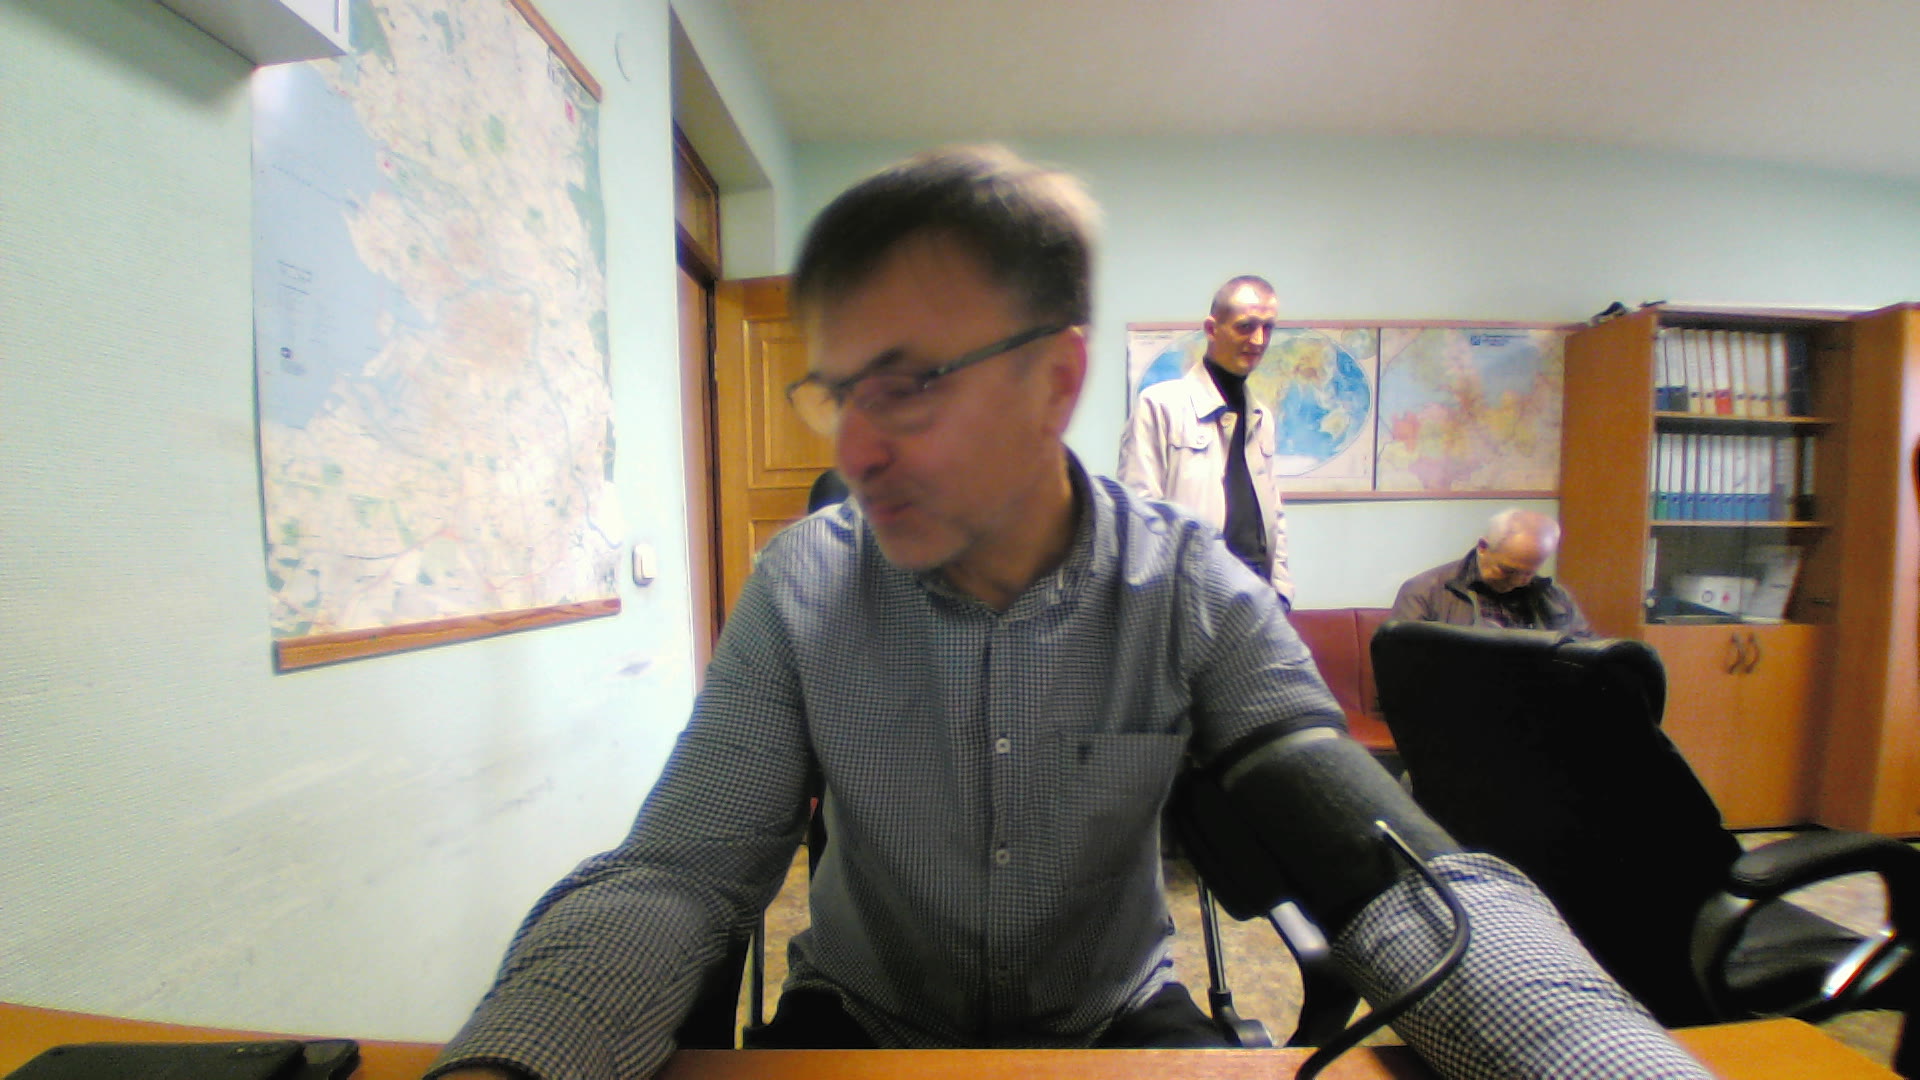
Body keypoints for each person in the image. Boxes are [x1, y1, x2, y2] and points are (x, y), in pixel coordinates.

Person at [428, 147, 1705, 1080]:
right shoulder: (804, 582)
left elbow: (1400, 881)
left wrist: (1601, 1060)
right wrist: (510, 1064)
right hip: (863, 1019)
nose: (864, 445)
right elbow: (675, 875)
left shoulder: (1189, 586)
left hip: (1113, 1019)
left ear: (1056, 380)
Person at [1117, 276, 1294, 608]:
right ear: (1212, 329)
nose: (1258, 340)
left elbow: (1274, 513)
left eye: (1267, 328)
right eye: (1246, 326)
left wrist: (1281, 592)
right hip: (1190, 600)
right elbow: (1138, 516)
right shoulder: (1161, 405)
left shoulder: (1261, 417)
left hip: (1258, 597)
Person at [1391, 508, 1593, 636]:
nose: (1518, 581)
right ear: (1483, 547)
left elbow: (1587, 655)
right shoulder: (1424, 591)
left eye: (1529, 573)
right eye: (1508, 570)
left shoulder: (1555, 597)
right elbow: (1402, 666)